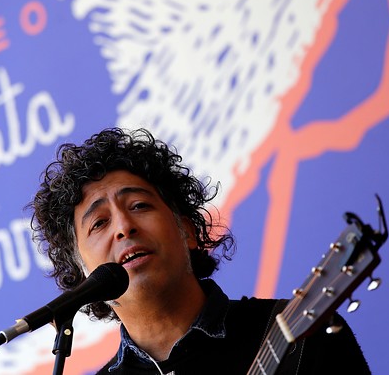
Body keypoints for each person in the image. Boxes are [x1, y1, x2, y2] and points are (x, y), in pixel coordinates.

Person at [29, 127, 370, 374]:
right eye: (99, 223)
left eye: (139, 205)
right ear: (84, 273)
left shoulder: (299, 333)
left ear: (188, 231)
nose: (123, 227)